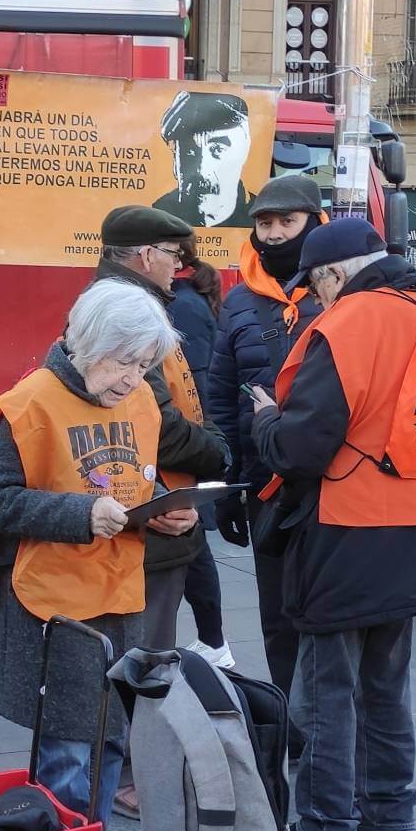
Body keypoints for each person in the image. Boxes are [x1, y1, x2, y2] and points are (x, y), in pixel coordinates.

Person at [251, 217, 416, 831]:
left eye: (316, 286)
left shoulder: (345, 325)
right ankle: (391, 816)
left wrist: (264, 421)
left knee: (326, 691)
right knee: (387, 685)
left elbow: (299, 450)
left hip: (345, 529)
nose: (315, 299)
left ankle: (325, 827)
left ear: (334, 275)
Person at [0, 280, 184, 826]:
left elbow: (132, 477)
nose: (132, 378)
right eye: (121, 362)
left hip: (120, 594)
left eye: (144, 364)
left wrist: (163, 508)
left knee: (111, 736)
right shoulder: (28, 403)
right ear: (85, 343)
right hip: (54, 604)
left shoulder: (140, 399)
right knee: (67, 750)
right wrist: (79, 515)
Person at [94, 205, 230, 819]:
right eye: (173, 255)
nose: (181, 266)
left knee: (149, 652)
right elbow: (153, 419)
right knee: (138, 656)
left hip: (159, 508)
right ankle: (126, 775)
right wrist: (219, 450)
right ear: (145, 254)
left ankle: (130, 769)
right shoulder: (126, 311)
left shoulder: (137, 304)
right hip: (143, 514)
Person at [209, 176, 325, 754]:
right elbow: (222, 394)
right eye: (265, 224)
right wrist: (228, 483)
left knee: (326, 612)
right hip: (265, 485)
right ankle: (293, 731)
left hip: (330, 483)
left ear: (314, 223)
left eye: (288, 222)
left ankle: (332, 726)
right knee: (277, 613)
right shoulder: (239, 300)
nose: (275, 233)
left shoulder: (338, 290)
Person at [168, 236, 233, 667]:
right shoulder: (189, 299)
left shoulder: (182, 305)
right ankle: (213, 642)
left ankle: (213, 642)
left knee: (190, 548)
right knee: (190, 548)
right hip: (190, 437)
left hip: (184, 439)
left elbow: (190, 384)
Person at [153, 92, 254, 228]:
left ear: (244, 151)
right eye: (189, 152)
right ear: (176, 159)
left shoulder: (261, 219)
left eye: (217, 150)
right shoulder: (154, 219)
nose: (202, 171)